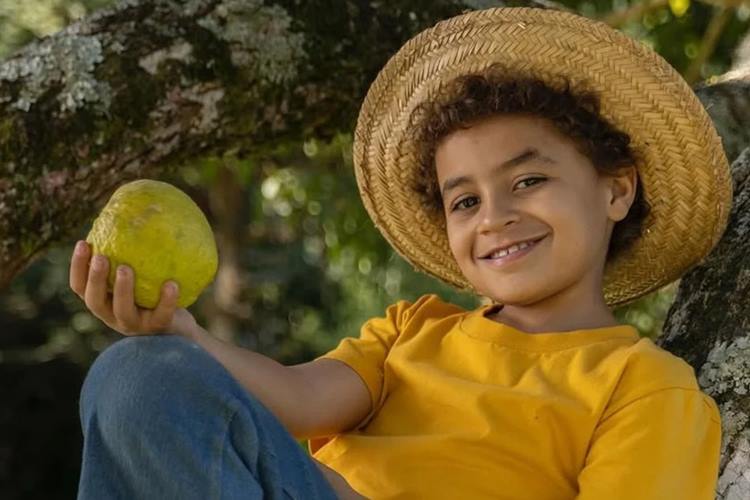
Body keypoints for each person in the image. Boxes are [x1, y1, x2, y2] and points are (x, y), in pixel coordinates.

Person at [70, 6, 731, 500]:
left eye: (529, 180)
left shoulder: (645, 387)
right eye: (464, 201)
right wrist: (180, 334)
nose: (495, 216)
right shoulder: (413, 330)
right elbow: (298, 399)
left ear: (616, 190)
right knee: (135, 374)